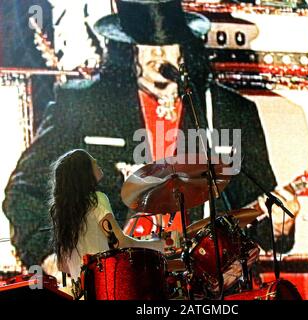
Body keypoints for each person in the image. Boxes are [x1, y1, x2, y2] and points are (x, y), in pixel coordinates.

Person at [3, 0, 277, 267]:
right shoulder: (82, 105)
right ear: (127, 49)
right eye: (145, 45)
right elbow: (24, 190)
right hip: (109, 278)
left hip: (200, 286)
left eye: (167, 45)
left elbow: (257, 215)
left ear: (184, 50)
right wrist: (49, 255)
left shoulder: (229, 111)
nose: (157, 56)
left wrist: (277, 227)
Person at [49, 149, 164, 283]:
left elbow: (62, 265)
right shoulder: (96, 200)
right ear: (84, 172)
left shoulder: (62, 213)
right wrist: (157, 245)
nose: (97, 163)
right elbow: (120, 243)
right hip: (106, 286)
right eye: (93, 162)